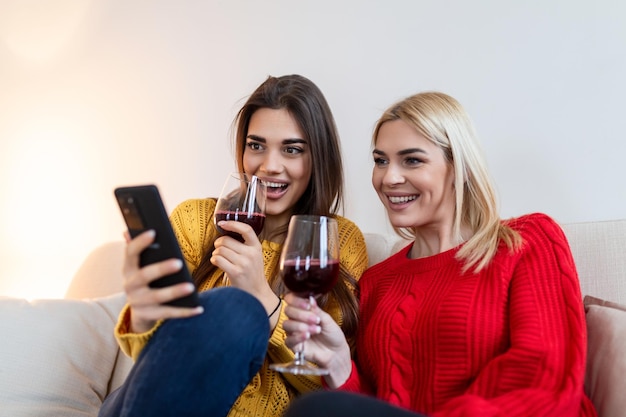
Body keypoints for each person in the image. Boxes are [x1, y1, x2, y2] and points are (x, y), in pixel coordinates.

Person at [281, 91, 597, 417]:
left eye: (412, 160)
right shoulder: (377, 281)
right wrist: (338, 365)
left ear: (458, 166)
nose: (389, 177)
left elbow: (545, 381)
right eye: (380, 161)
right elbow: (378, 404)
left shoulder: (526, 241)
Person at [98, 74, 368, 417]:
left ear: (318, 158)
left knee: (239, 309)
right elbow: (154, 364)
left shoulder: (337, 240)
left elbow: (328, 383)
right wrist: (142, 315)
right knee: (230, 309)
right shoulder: (196, 220)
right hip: (144, 403)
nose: (269, 166)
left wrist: (262, 297)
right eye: (256, 145)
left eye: (292, 149)